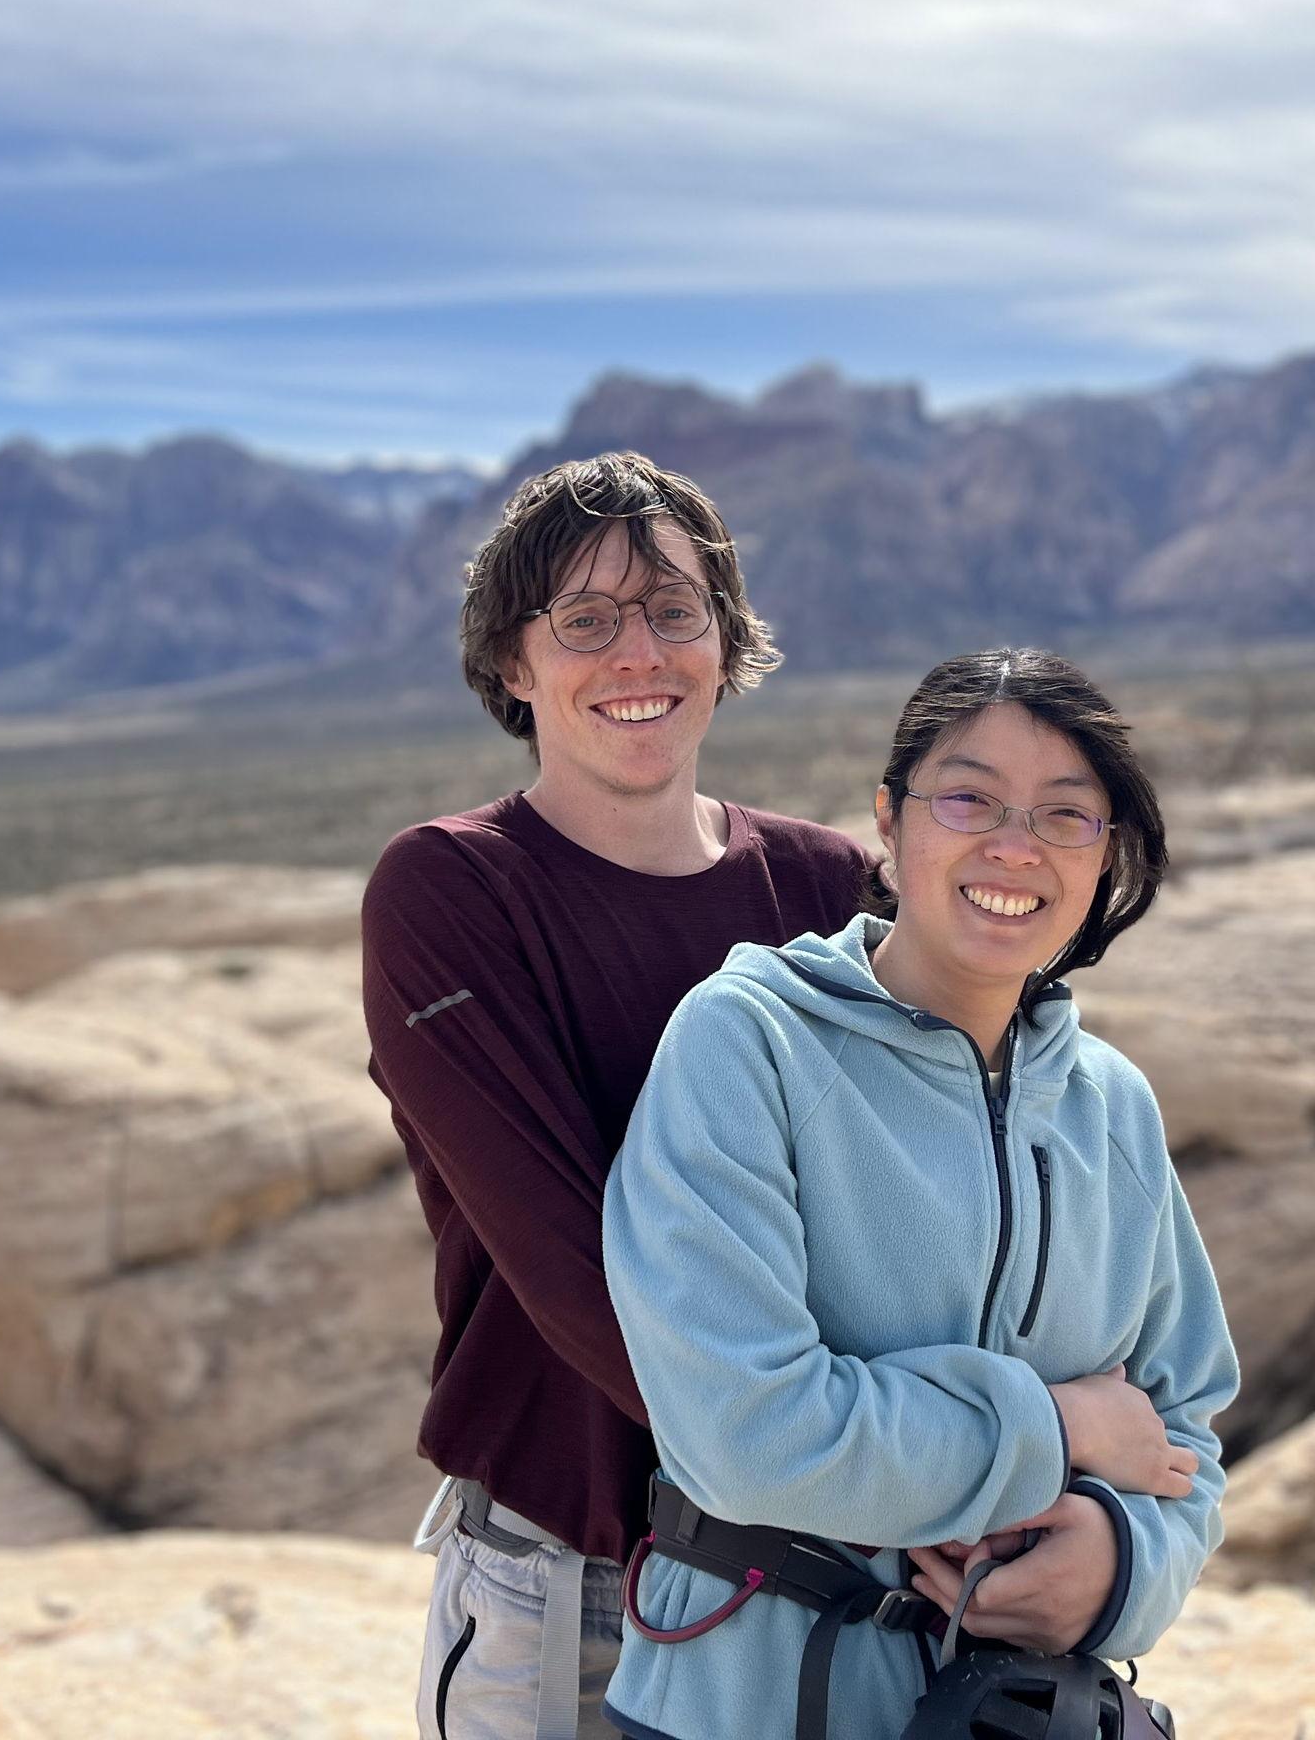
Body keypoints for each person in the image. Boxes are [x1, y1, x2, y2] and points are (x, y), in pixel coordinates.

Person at [601, 649, 1239, 1740]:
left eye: (1064, 815)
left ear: (1103, 856)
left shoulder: (1111, 1104)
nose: (1013, 845)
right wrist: (1053, 1423)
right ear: (889, 822)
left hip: (1012, 1715)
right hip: (745, 1704)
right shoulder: (749, 1040)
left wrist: (1121, 1565)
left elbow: (1183, 1433)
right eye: (969, 797)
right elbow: (746, 1433)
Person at [362, 452, 875, 1740]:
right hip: (581, 1587)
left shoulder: (830, 887)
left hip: (842, 1585)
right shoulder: (453, 893)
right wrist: (896, 1475)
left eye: (673, 610)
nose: (637, 651)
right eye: (585, 620)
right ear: (513, 665)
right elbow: (576, 1260)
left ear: (725, 639)